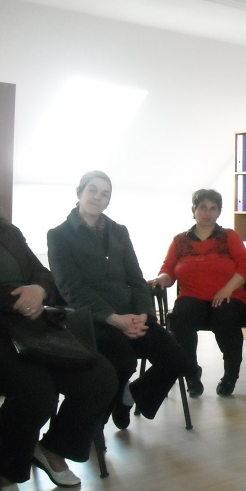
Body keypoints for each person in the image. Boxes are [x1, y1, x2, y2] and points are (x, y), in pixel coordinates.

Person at [0, 155, 117, 491]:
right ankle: (5, 467)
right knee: (36, 392)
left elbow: (43, 274)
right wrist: (14, 299)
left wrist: (38, 290)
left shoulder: (6, 232)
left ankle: (53, 448)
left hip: (34, 326)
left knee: (101, 378)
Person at [47, 171, 198, 430]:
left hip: (132, 316)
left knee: (178, 358)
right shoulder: (59, 235)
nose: (97, 197)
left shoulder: (119, 231)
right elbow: (71, 288)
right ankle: (94, 426)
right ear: (79, 192)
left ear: (108, 201)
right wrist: (114, 319)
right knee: (124, 361)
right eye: (92, 190)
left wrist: (144, 314)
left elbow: (136, 278)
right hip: (92, 319)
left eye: (104, 194)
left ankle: (129, 396)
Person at [150, 189, 246, 398]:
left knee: (225, 317)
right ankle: (191, 374)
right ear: (193, 210)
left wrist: (227, 288)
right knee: (180, 318)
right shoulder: (180, 240)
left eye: (213, 208)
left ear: (219, 212)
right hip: (192, 297)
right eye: (203, 207)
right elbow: (168, 270)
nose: (207, 213)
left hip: (229, 297)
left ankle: (230, 375)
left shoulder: (229, 237)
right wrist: (161, 278)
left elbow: (245, 266)